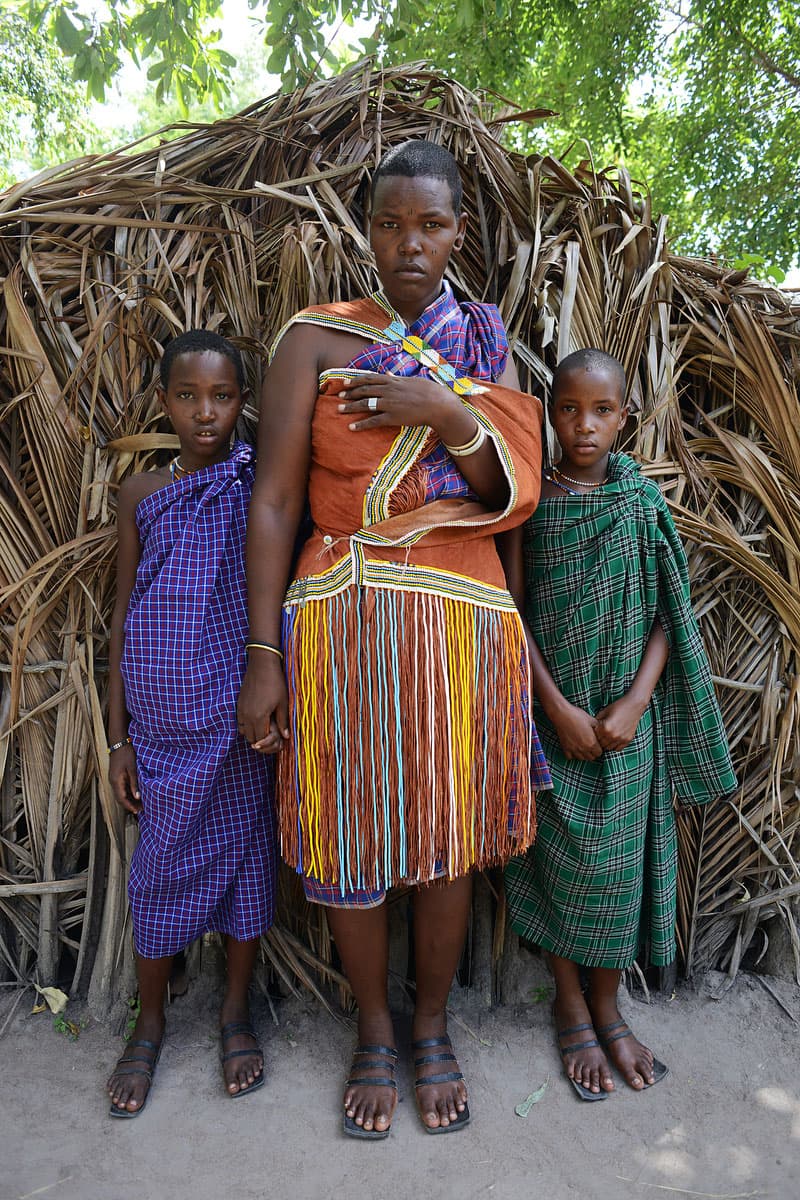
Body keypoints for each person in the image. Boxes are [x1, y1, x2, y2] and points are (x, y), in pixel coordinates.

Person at [238, 139, 550, 1137]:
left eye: (429, 224)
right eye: (388, 224)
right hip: (341, 619)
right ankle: (373, 1029)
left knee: (449, 836)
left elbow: (511, 488)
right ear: (366, 232)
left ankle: (430, 1026)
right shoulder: (315, 340)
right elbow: (274, 501)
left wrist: (445, 411)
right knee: (344, 826)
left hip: (460, 628)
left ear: (457, 234)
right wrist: (262, 655)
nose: (408, 243)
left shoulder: (483, 343)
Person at [505, 348, 737, 1100]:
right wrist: (555, 707)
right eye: (569, 409)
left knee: (617, 869)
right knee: (556, 861)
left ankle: (608, 1007)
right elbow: (510, 611)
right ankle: (570, 1006)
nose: (584, 425)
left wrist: (636, 702)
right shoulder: (531, 501)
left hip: (625, 724)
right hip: (551, 718)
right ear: (550, 414)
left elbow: (671, 611)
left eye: (601, 411)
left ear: (625, 418)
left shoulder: (639, 502)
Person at [106, 330, 277, 1117]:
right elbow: (122, 617)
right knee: (157, 871)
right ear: (164, 401)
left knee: (246, 863)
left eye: (222, 396)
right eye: (187, 396)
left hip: (236, 716)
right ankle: (149, 1023)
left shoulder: (260, 485)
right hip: (160, 724)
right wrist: (118, 737)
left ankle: (235, 1013)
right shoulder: (142, 493)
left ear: (243, 402)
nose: (205, 412)